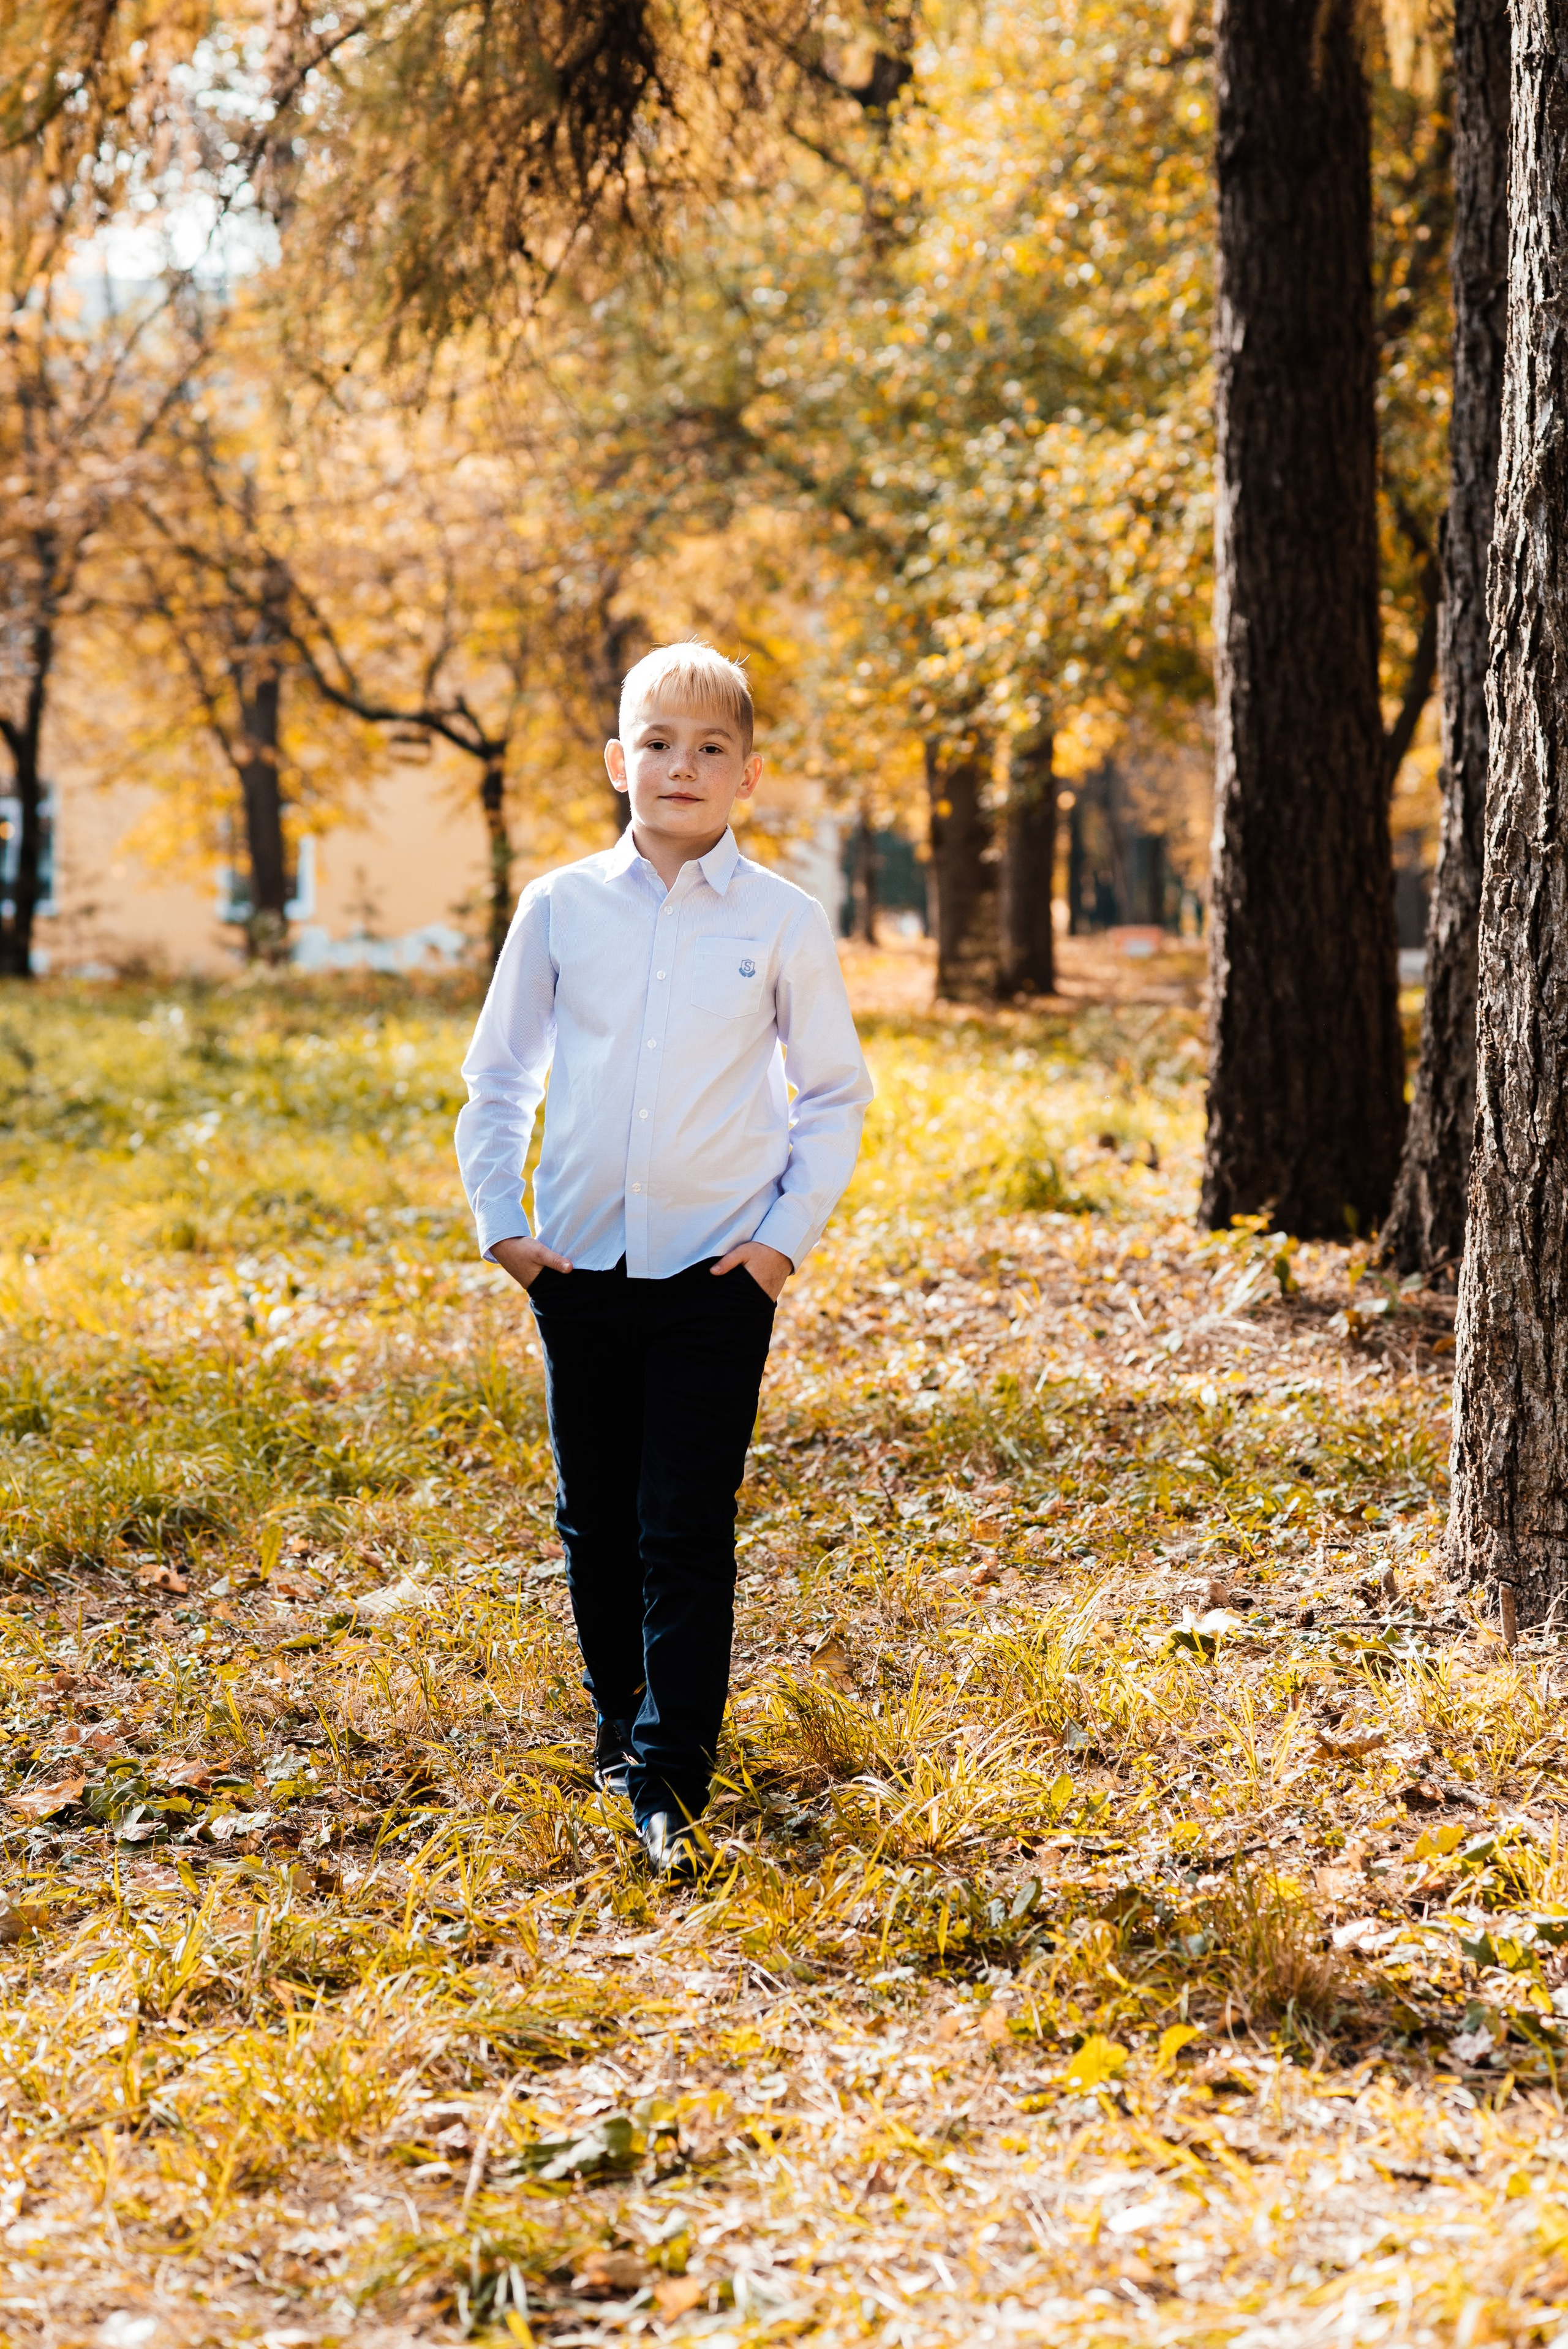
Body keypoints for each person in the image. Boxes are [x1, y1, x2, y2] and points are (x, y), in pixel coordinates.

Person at [455, 642, 872, 1877]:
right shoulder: (560, 908)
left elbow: (832, 1095)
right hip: (577, 1267)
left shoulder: (781, 922)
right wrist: (507, 1232)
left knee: (682, 1520)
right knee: (595, 1518)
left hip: (713, 1278)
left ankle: (669, 1775)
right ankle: (615, 1723)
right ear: (614, 760)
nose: (679, 766)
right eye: (655, 742)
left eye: (707, 748)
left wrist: (774, 1250)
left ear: (744, 771)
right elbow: (499, 1076)